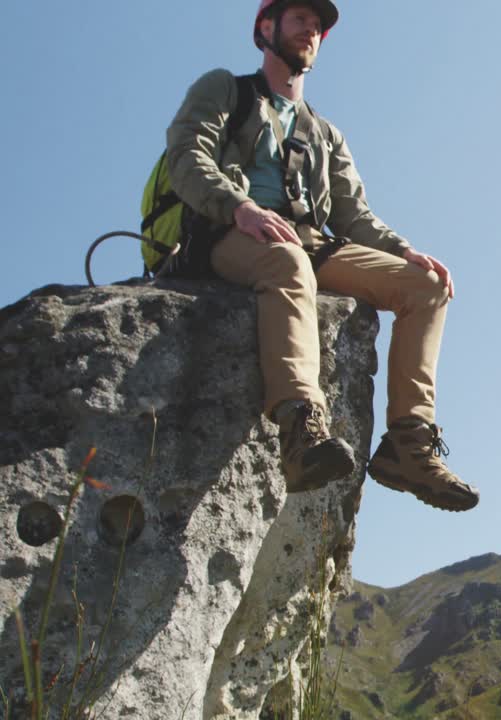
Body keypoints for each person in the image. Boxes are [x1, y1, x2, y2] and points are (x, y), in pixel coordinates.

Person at [165, 0, 478, 511]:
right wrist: (239, 207)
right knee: (286, 260)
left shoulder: (325, 133)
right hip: (225, 234)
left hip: (308, 241)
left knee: (427, 286)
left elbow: (353, 214)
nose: (309, 30)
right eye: (298, 19)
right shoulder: (226, 89)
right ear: (265, 28)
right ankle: (301, 428)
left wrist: (404, 250)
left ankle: (407, 446)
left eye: (316, 25)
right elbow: (188, 156)